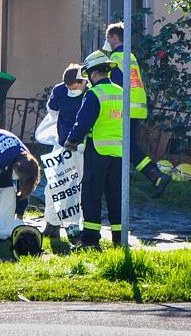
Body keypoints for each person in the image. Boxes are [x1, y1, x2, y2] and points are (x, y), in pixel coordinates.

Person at [64, 51, 123, 249]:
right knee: (116, 196)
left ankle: (90, 240)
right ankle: (119, 239)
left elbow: (83, 122)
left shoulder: (94, 94)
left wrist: (71, 140)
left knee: (91, 194)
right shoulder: (121, 92)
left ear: (93, 74)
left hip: (97, 151)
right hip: (119, 154)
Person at [103, 22, 170, 198]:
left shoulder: (116, 58)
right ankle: (152, 176)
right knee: (128, 146)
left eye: (107, 37)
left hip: (126, 108)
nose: (106, 41)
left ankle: (155, 175)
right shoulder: (130, 56)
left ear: (114, 37)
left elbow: (115, 85)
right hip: (137, 107)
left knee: (126, 147)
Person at [42, 63, 87, 238]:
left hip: (82, 148)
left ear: (83, 81)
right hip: (62, 145)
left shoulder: (90, 92)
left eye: (74, 87)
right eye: (68, 87)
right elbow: (52, 111)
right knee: (55, 185)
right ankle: (52, 224)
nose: (71, 90)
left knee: (75, 188)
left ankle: (73, 226)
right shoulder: (60, 90)